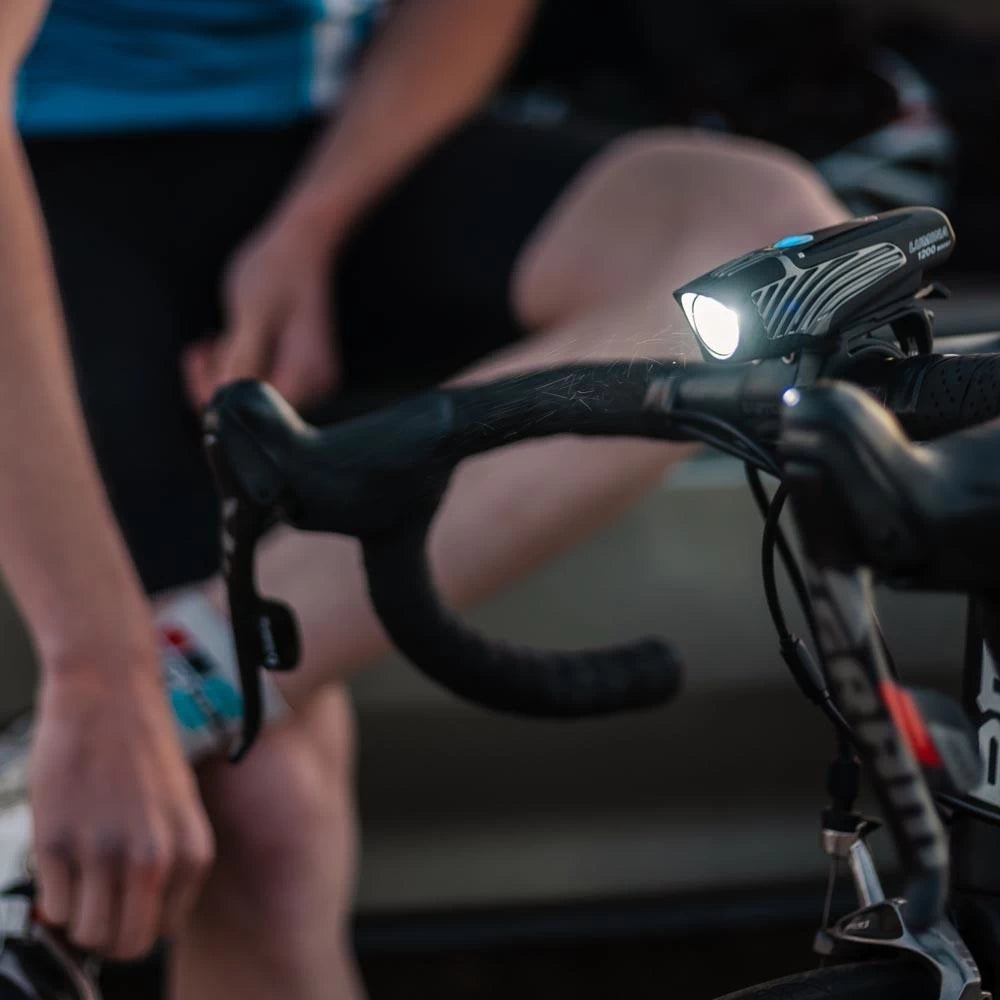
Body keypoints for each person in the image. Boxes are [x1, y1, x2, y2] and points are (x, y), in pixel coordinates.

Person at [4, 0, 847, 996]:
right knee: (260, 802)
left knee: (776, 245)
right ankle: (184, 694)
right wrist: (95, 673)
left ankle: (190, 679)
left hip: (322, 146)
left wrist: (311, 226)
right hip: (45, 177)